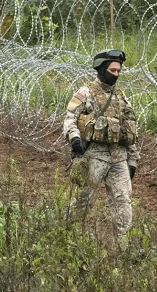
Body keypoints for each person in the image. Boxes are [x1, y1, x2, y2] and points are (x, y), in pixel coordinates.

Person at [63, 49, 140, 243]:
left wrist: (132, 160)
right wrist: (74, 139)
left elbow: (130, 130)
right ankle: (68, 238)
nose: (116, 74)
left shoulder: (122, 97)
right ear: (102, 69)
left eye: (119, 71)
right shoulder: (85, 93)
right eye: (113, 70)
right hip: (94, 156)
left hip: (119, 159)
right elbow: (70, 118)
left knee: (123, 202)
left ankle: (123, 245)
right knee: (83, 200)